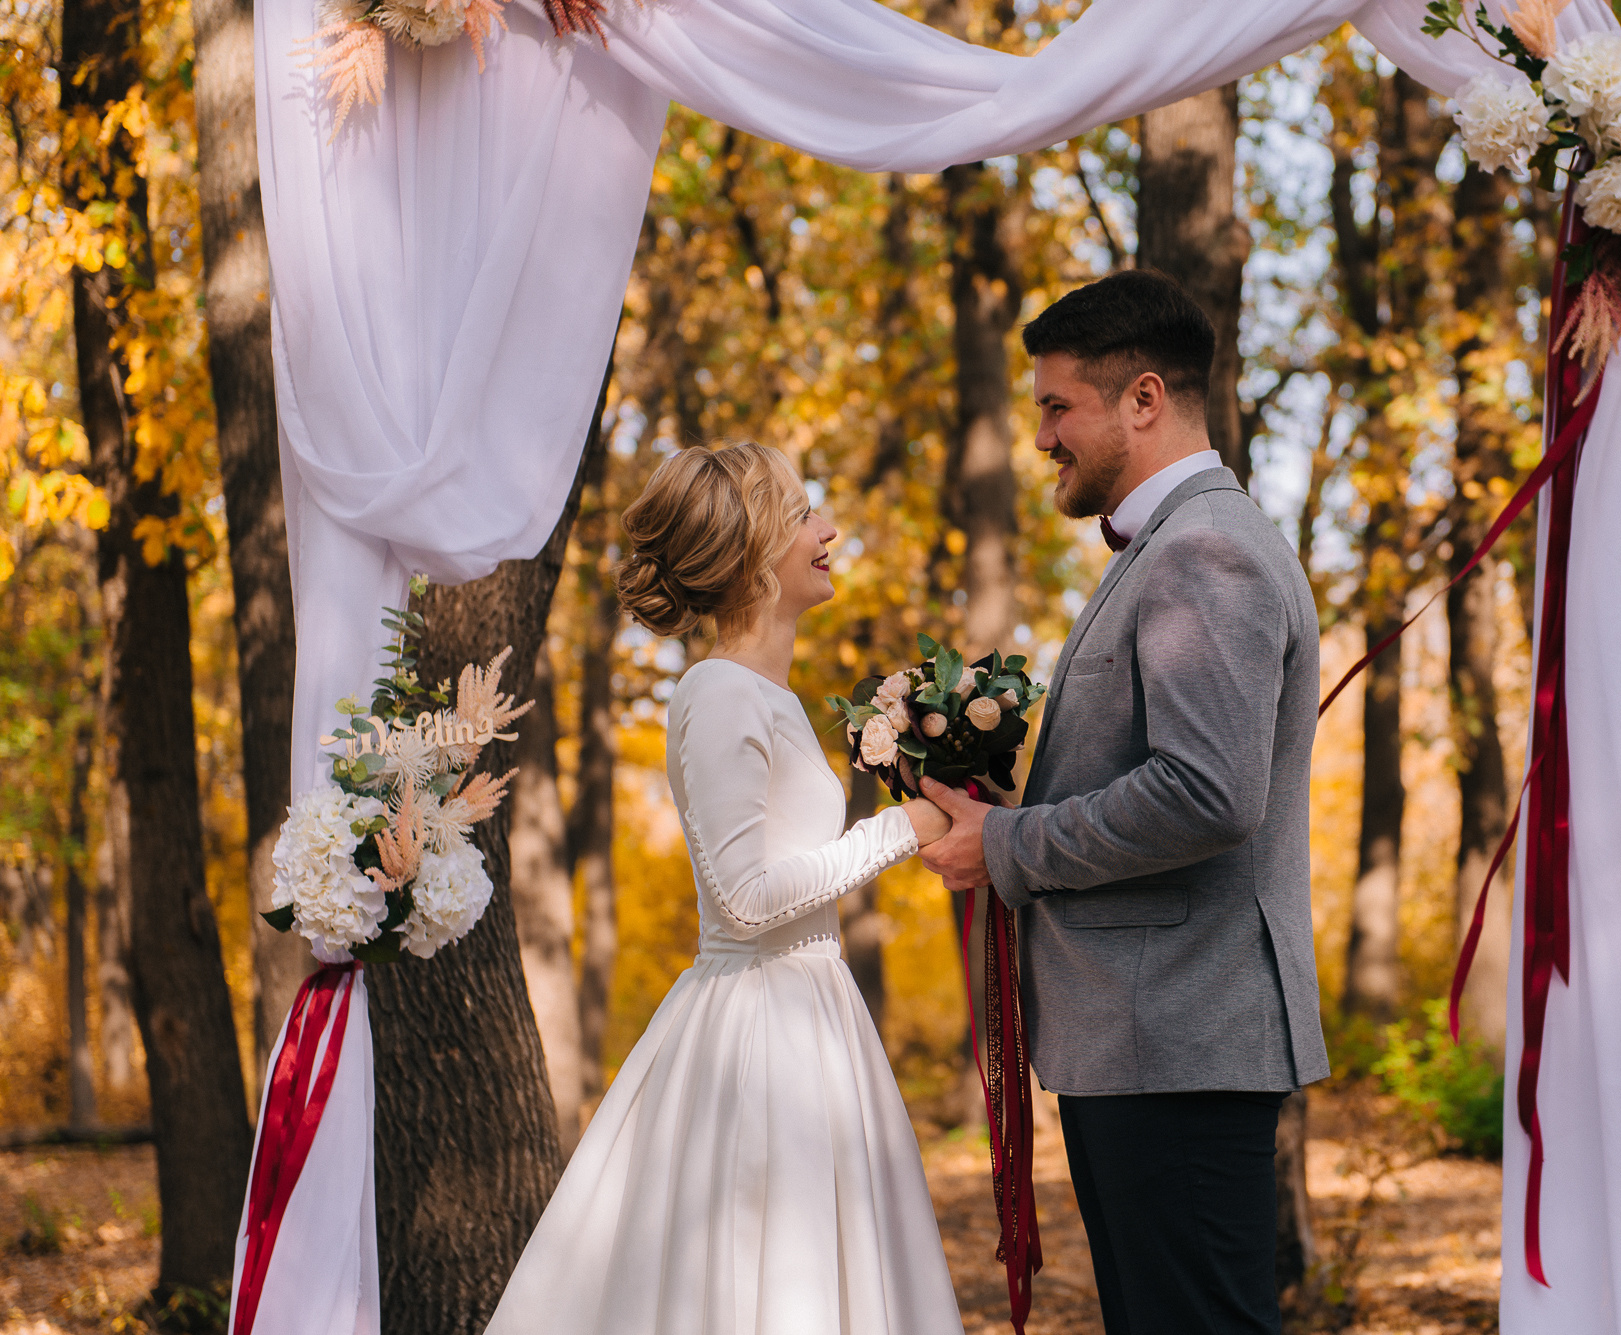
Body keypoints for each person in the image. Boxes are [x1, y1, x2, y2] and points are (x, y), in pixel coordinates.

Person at [920, 268, 1331, 1335]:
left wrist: (1007, 844)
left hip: (1177, 1038)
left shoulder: (1203, 551)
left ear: (1143, 399)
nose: (1041, 437)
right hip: (1147, 1039)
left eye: (1058, 407)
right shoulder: (1173, 546)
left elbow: (1207, 794)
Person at [485, 441, 962, 1335]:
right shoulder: (718, 693)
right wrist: (903, 830)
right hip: (761, 1032)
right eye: (805, 514)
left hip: (812, 1013)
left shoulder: (769, 695)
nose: (829, 530)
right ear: (755, 549)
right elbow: (744, 898)